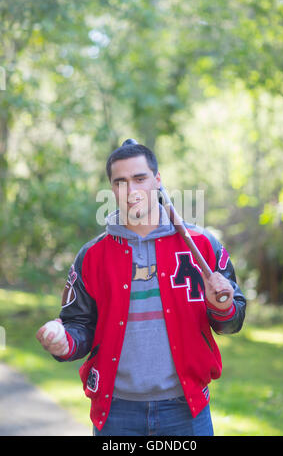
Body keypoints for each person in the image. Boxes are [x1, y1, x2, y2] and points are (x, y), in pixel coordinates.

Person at [36, 139, 246, 436]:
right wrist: (65, 343)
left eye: (139, 178)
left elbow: (232, 320)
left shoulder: (202, 246)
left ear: (157, 180)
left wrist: (222, 306)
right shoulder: (93, 256)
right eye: (120, 182)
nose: (131, 191)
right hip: (117, 411)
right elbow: (78, 325)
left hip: (186, 409)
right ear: (112, 189)